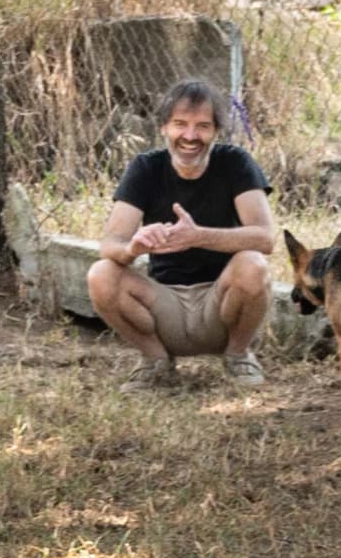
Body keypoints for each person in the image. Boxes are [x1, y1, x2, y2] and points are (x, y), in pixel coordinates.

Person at [89, 79, 275, 385]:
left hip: (221, 304)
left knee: (253, 265)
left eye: (202, 126)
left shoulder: (235, 163)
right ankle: (154, 360)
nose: (190, 136)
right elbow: (111, 244)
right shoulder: (146, 168)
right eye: (180, 124)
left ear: (216, 131)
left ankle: (238, 355)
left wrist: (199, 235)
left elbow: (265, 239)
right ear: (163, 127)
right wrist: (133, 248)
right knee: (101, 274)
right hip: (164, 307)